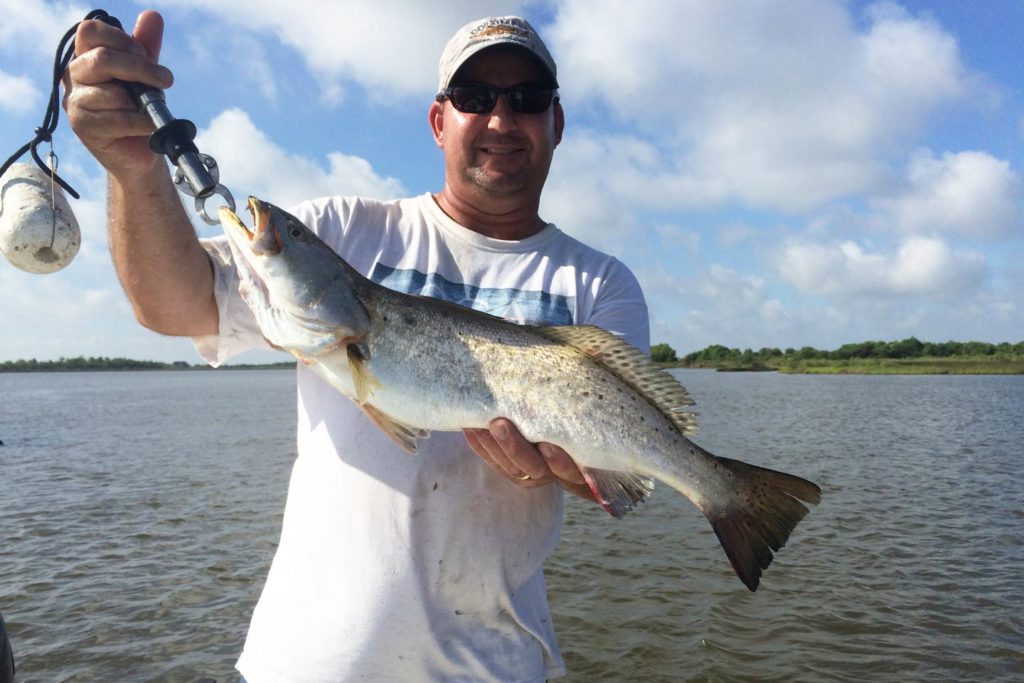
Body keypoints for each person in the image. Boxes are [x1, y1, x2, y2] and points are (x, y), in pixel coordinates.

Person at [66, 11, 649, 682]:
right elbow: (172, 304)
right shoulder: (340, 230)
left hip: (495, 665)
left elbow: (614, 476)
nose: (499, 119)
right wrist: (135, 171)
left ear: (556, 122)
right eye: (473, 98)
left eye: (526, 100)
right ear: (439, 121)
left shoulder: (601, 282)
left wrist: (561, 469)